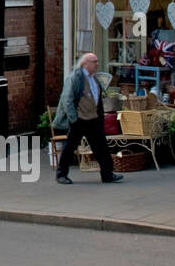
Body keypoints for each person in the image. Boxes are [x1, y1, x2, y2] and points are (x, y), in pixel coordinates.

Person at [53, 53, 123, 185]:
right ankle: (61, 174)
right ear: (85, 64)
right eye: (94, 61)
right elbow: (67, 100)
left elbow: (97, 98)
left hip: (93, 118)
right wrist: (73, 119)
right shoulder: (75, 77)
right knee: (70, 147)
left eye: (97, 61)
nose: (97, 64)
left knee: (101, 147)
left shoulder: (94, 78)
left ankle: (107, 174)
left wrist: (100, 115)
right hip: (80, 119)